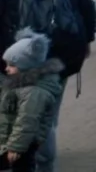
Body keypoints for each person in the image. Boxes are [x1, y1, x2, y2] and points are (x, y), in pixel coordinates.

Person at [0, 0, 93, 172]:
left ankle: (15, 159)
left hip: (15, 52)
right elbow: (84, 6)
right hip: (59, 52)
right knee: (47, 115)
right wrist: (86, 42)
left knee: (12, 112)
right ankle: (44, 165)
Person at [0, 29, 65, 172]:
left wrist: (15, 147)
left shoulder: (33, 92)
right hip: (18, 140)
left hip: (23, 144)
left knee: (23, 167)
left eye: (11, 65)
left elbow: (26, 121)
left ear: (25, 66)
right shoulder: (21, 83)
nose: (7, 69)